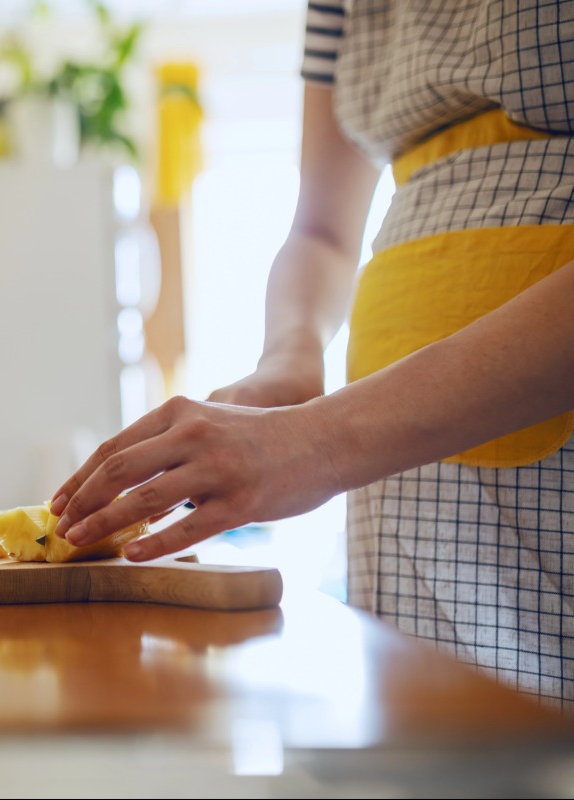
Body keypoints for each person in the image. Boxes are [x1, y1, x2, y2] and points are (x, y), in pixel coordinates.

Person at [48, 0, 574, 713]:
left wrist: (319, 442)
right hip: (393, 465)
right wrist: (288, 359)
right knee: (437, 741)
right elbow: (322, 231)